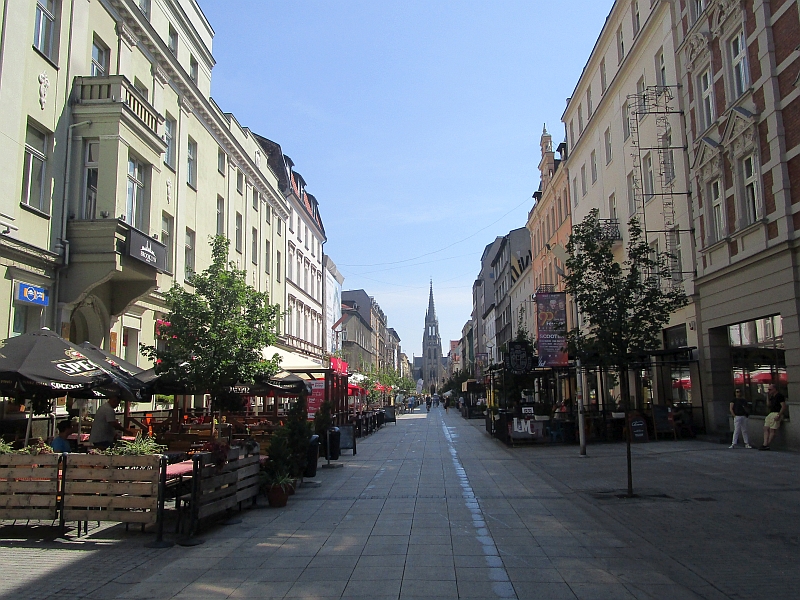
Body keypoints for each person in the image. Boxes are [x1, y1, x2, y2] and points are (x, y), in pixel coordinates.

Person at [760, 384, 788, 450]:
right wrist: (767, 396)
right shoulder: (772, 396)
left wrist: (779, 415)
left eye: (770, 389)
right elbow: (768, 405)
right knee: (765, 428)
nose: (769, 391)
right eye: (768, 389)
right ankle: (765, 443)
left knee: (772, 429)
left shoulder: (779, 396)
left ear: (775, 389)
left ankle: (767, 444)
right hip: (771, 413)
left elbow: (783, 406)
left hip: (776, 413)